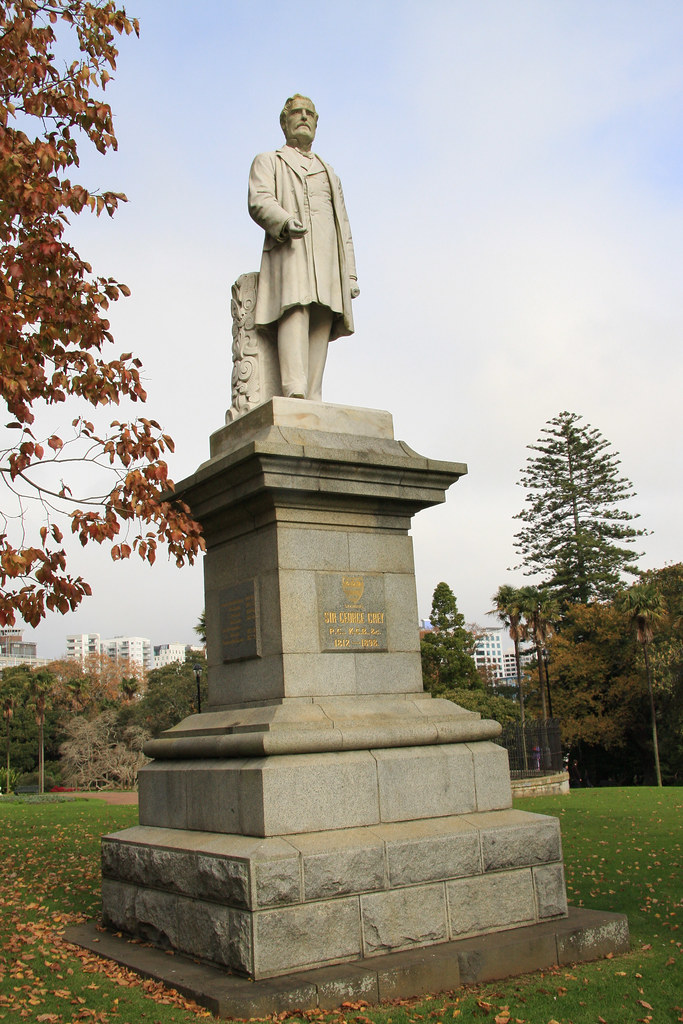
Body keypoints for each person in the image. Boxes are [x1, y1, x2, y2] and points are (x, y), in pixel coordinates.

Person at [248, 95, 359, 401]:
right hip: (291, 249)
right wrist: (283, 221)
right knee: (295, 309)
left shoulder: (329, 172)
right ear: (284, 122)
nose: (304, 117)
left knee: (323, 315)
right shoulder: (270, 160)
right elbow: (259, 200)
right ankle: (294, 390)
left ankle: (313, 394)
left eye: (310, 113)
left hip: (326, 255)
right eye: (297, 112)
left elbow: (343, 226)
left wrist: (349, 274)